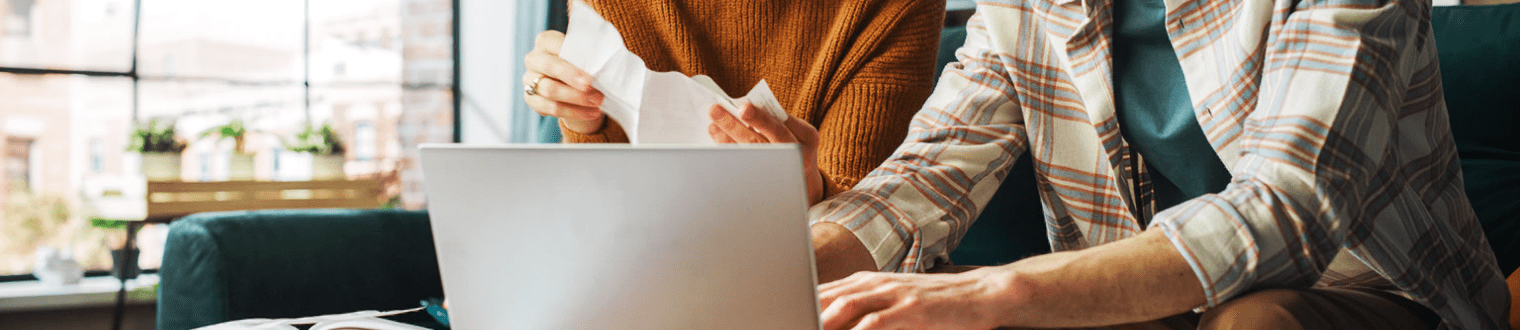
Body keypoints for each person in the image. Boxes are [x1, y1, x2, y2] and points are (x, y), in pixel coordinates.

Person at [724, 0, 1509, 328]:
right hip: (1141, 308)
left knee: (1254, 323)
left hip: (1365, 291)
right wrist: (764, 274)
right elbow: (923, 181)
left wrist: (995, 290)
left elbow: (1290, 210)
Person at [521, 0, 943, 283]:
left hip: (795, 279)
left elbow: (870, 223)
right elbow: (598, 225)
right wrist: (580, 112)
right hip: (617, 269)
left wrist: (800, 194)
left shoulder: (890, 8)